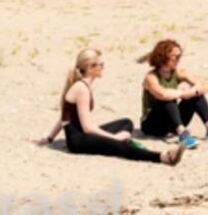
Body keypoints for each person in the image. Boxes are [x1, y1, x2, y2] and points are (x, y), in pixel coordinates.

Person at [35, 48, 182, 165]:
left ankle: (121, 139)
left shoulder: (82, 86)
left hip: (81, 134)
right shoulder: (81, 89)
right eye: (100, 65)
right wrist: (114, 137)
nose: (102, 67)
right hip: (78, 141)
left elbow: (64, 117)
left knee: (126, 122)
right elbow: (87, 127)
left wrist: (49, 139)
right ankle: (163, 157)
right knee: (118, 146)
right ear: (90, 68)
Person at [137, 38, 208, 148]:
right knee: (168, 98)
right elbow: (161, 94)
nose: (178, 60)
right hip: (153, 125)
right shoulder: (151, 77)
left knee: (195, 95)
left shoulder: (179, 72)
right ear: (163, 57)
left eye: (180, 56)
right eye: (176, 57)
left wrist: (194, 91)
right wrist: (183, 93)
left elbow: (205, 85)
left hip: (171, 121)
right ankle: (182, 133)